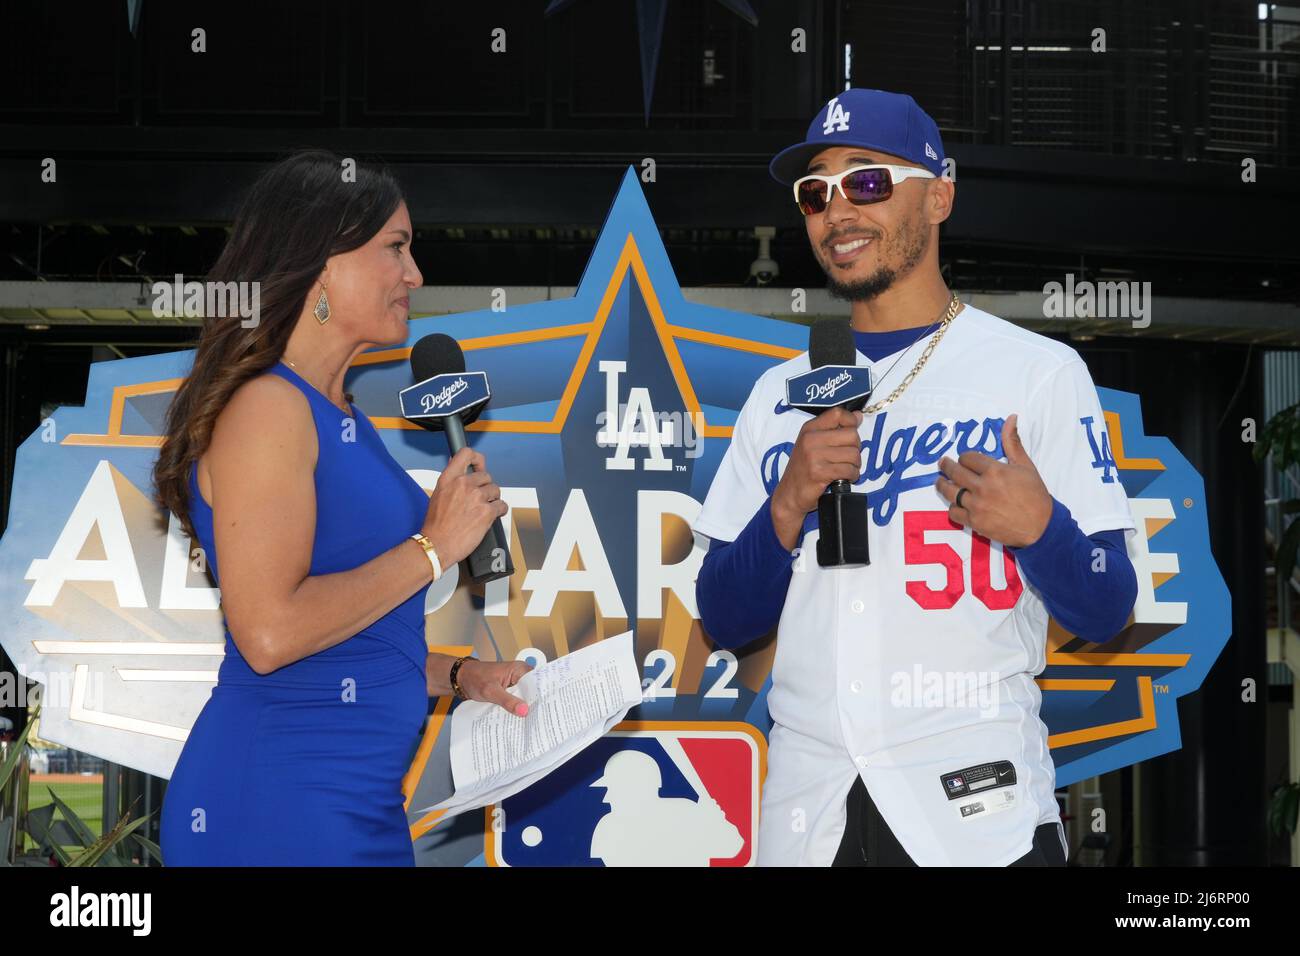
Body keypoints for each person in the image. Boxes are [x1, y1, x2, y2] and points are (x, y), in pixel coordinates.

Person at [693, 89, 1139, 866]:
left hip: (977, 809)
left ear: (939, 197)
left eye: (866, 181)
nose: (837, 211)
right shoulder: (778, 396)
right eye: (816, 192)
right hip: (813, 810)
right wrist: (788, 501)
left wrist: (1043, 531)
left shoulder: (1034, 374)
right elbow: (722, 619)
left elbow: (1109, 608)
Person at [154, 150, 530, 866]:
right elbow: (269, 634)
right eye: (396, 247)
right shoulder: (270, 407)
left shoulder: (338, 415)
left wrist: (461, 676)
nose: (415, 275)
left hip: (360, 812)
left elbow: (356, 638)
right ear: (323, 262)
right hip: (278, 808)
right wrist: (433, 548)